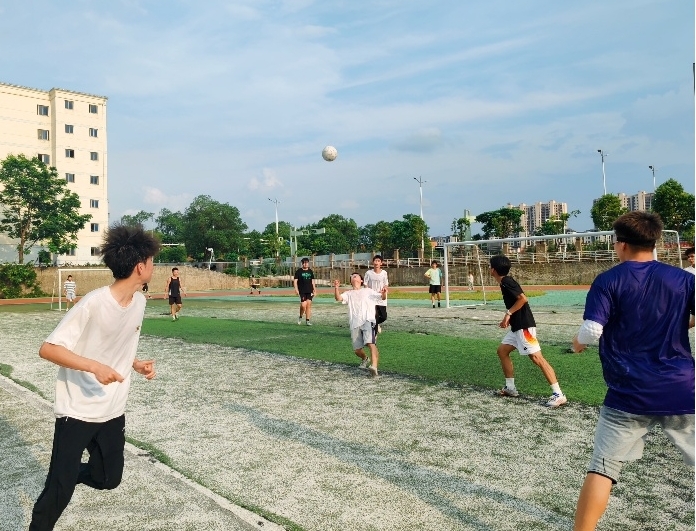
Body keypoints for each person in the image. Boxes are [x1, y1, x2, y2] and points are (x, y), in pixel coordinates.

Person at [29, 225, 159, 531]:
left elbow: (115, 346)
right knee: (59, 492)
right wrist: (94, 367)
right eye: (152, 261)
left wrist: (135, 364)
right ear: (140, 267)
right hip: (77, 410)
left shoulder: (139, 303)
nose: (154, 266)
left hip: (113, 410)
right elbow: (48, 349)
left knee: (109, 478)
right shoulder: (93, 303)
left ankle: (70, 473)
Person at [570, 212, 694, 531]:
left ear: (622, 244)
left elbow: (592, 330)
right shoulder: (683, 279)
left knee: (603, 468)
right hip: (682, 389)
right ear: (654, 242)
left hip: (628, 392)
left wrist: (577, 343)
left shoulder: (608, 280)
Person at [489, 255, 567, 408]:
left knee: (537, 358)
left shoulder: (507, 281)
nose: (489, 268)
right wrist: (510, 318)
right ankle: (510, 388)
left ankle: (558, 394)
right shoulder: (504, 282)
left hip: (524, 328)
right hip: (517, 327)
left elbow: (523, 299)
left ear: (494, 270)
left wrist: (508, 314)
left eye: (490, 266)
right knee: (502, 351)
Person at [334, 274, 387, 378]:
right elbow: (338, 298)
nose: (354, 276)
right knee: (357, 350)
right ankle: (365, 358)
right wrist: (336, 288)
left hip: (368, 320)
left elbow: (382, 297)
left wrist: (384, 293)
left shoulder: (368, 291)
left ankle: (374, 366)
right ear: (350, 281)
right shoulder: (348, 293)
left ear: (361, 280)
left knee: (371, 343)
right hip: (355, 323)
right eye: (352, 276)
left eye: (356, 275)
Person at [364, 254, 388, 333]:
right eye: (375, 261)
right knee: (375, 315)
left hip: (381, 297)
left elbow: (386, 284)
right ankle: (374, 332)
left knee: (383, 317)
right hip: (371, 297)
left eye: (378, 261)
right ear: (373, 262)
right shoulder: (368, 273)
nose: (376, 262)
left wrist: (384, 289)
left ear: (381, 263)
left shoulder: (384, 273)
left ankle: (376, 324)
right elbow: (365, 284)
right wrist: (368, 291)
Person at [293, 257, 316, 325]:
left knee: (308, 305)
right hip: (302, 291)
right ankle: (300, 317)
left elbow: (312, 281)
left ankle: (307, 320)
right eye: (304, 263)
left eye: (307, 263)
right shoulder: (299, 271)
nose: (306, 264)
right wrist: (296, 289)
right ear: (302, 264)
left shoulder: (310, 271)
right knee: (303, 305)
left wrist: (314, 289)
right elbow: (295, 281)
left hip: (309, 290)